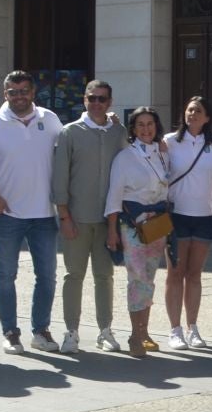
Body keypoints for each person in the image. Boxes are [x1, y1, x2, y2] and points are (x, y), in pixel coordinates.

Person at [50, 79, 122, 353]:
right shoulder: (70, 132)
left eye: (102, 99)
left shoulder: (118, 131)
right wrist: (64, 215)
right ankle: (71, 331)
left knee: (104, 276)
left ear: (110, 102)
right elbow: (60, 176)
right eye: (92, 98)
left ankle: (105, 330)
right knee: (74, 275)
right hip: (77, 218)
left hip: (108, 219)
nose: (97, 103)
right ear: (84, 100)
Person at [103, 107, 172, 358]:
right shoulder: (125, 157)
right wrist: (111, 230)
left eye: (150, 124)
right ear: (133, 129)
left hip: (157, 225)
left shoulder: (162, 154)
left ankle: (144, 331)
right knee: (137, 279)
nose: (146, 129)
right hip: (132, 226)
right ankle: (134, 334)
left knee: (149, 279)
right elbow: (114, 196)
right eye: (140, 125)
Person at [163, 97, 212, 349]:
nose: (193, 114)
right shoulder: (169, 141)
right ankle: (175, 330)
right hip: (176, 216)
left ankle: (193, 327)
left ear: (207, 117)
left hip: (205, 216)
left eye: (198, 111)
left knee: (194, 274)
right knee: (175, 273)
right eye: (189, 110)